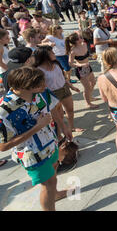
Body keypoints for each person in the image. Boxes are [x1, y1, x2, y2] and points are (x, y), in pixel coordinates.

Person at [0, 67, 73, 211]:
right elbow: (3, 146)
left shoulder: (38, 93)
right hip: (33, 156)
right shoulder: (4, 110)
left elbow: (51, 109)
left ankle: (55, 194)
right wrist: (37, 127)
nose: (45, 86)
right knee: (48, 185)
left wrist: (64, 127)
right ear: (25, 86)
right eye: (41, 84)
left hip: (51, 144)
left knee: (53, 172)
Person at [34, 46, 82, 133]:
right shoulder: (38, 70)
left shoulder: (56, 64)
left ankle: (71, 128)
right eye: (51, 52)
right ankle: (60, 133)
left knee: (70, 110)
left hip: (64, 89)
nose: (54, 53)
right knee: (58, 116)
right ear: (45, 56)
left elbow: (63, 77)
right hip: (52, 94)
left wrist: (72, 86)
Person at [66, 33, 98, 110]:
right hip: (81, 70)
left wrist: (92, 56)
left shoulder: (84, 44)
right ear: (76, 41)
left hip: (88, 67)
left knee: (93, 82)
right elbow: (70, 63)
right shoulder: (73, 51)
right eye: (80, 37)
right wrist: (80, 65)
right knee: (87, 88)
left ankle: (90, 97)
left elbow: (87, 54)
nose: (82, 37)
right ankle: (88, 103)